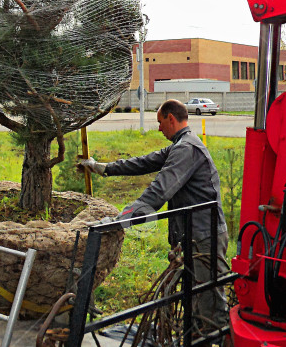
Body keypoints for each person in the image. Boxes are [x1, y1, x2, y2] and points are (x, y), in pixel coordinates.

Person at [78, 99, 230, 343]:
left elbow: (159, 191)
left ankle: (220, 340)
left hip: (204, 236)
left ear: (171, 118)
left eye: (160, 122)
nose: (158, 129)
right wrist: (103, 168)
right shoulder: (181, 144)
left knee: (210, 304)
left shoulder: (186, 149)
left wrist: (121, 220)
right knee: (194, 299)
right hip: (196, 234)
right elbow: (143, 162)